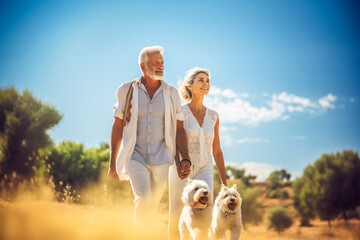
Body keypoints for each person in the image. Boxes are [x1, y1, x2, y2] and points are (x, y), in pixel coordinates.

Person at [108, 46, 191, 223]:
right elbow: (117, 126)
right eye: (155, 63)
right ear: (143, 66)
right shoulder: (126, 90)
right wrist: (112, 163)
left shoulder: (171, 93)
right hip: (135, 156)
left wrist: (185, 158)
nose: (160, 66)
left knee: (151, 205)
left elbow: (179, 128)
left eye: (162, 63)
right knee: (143, 201)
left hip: (162, 157)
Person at [168, 67, 227, 239]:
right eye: (201, 80)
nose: (205, 83)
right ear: (190, 85)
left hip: (205, 168)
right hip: (181, 169)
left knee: (206, 211)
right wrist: (178, 163)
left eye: (207, 81)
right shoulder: (181, 112)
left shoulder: (214, 116)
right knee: (177, 213)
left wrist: (224, 182)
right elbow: (172, 142)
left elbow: (216, 150)